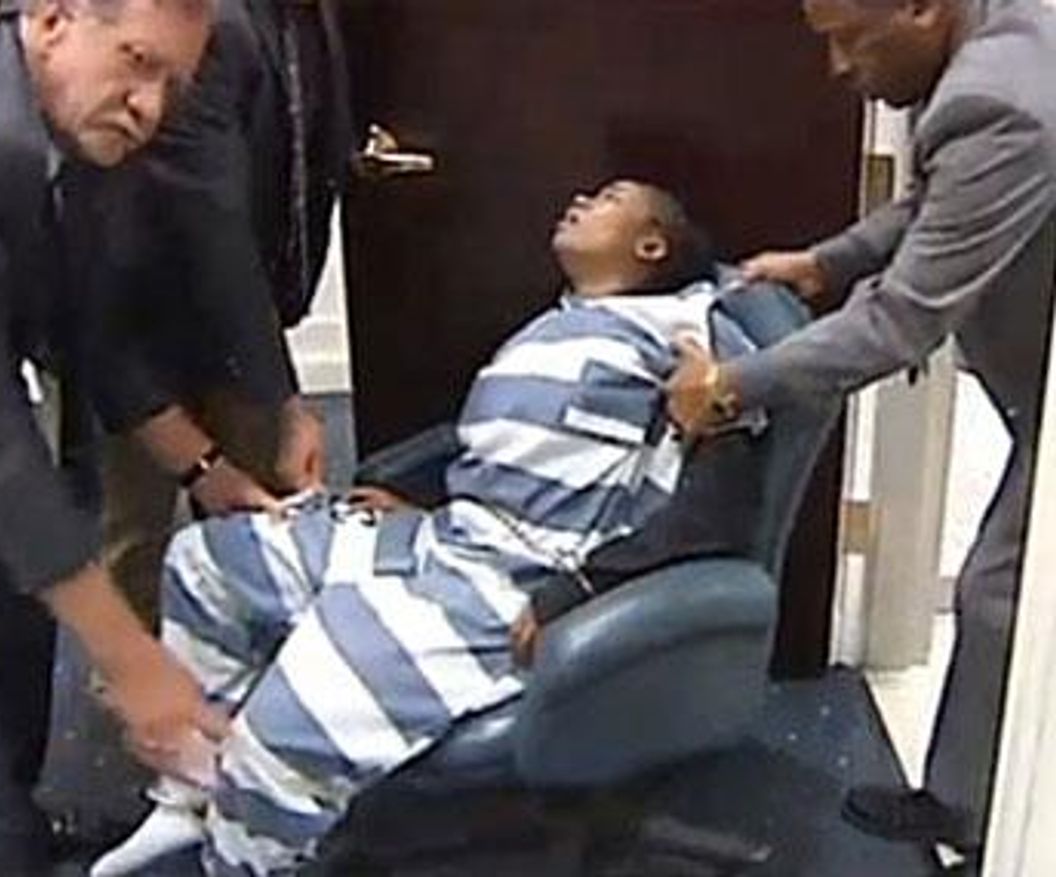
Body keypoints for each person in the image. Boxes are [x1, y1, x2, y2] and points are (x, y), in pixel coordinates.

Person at [89, 179, 770, 876]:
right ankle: (190, 795)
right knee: (211, 561)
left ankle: (245, 857)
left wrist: (575, 590)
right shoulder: (572, 320)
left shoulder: (692, 339)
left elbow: (717, 510)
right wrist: (416, 495)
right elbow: (517, 443)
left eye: (609, 198)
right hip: (448, 536)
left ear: (650, 245)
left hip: (517, 585)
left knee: (289, 728)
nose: (581, 198)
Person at [665, 0, 1056, 859]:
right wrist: (826, 262)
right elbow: (937, 202)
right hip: (1036, 394)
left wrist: (730, 384)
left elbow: (897, 324)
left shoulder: (1000, 98)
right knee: (1001, 594)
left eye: (851, 38)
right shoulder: (990, 40)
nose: (839, 67)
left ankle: (987, 821)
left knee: (999, 594)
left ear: (920, 7)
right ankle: (967, 805)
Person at [0, 2, 228, 873]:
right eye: (137, 62)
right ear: (57, 18)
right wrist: (134, 662)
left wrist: (204, 467)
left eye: (171, 84)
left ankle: (11, 829)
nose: (150, 105)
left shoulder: (68, 121)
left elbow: (87, 328)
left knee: (14, 638)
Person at [81, 0, 352, 627]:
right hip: (136, 322)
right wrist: (284, 400)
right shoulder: (198, 26)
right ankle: (135, 681)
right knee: (134, 539)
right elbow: (212, 225)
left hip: (243, 319)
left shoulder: (306, 16)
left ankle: (258, 668)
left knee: (264, 529)